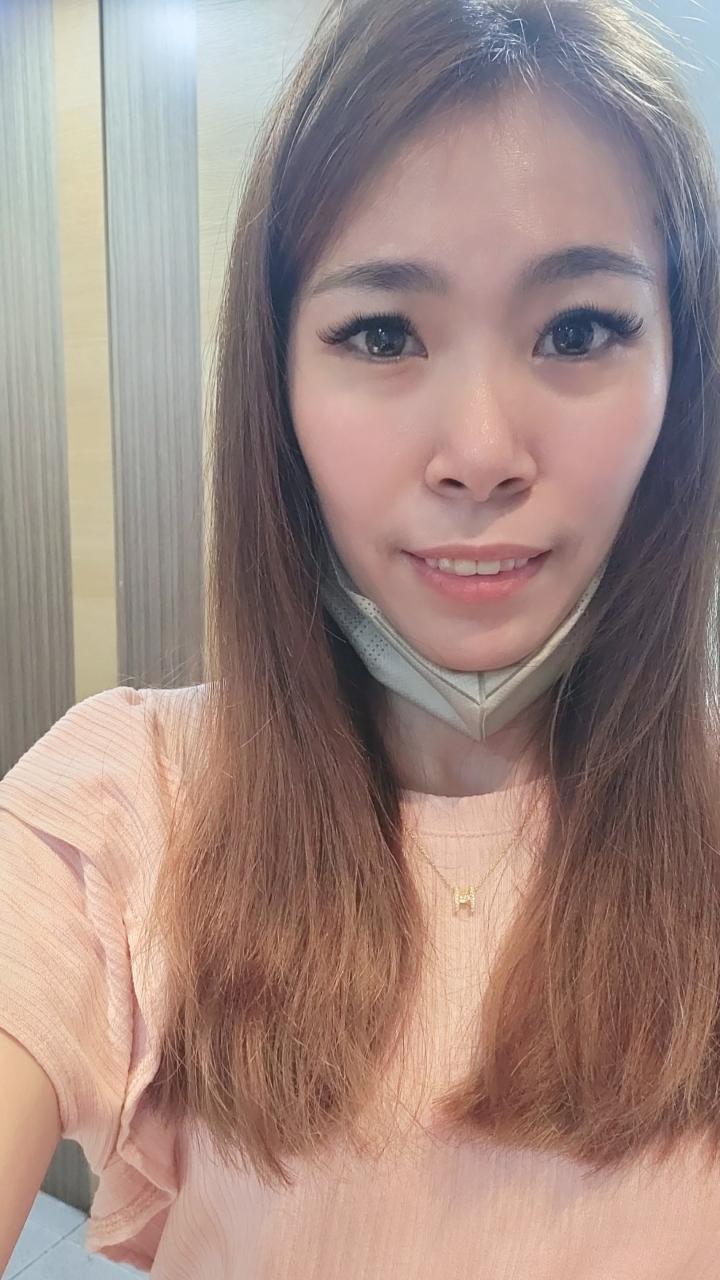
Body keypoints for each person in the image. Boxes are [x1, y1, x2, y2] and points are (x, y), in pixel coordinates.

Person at [2, 0, 720, 1275]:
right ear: (277, 384)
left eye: (579, 329)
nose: (482, 453)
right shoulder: (123, 805)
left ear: (682, 374)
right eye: (382, 333)